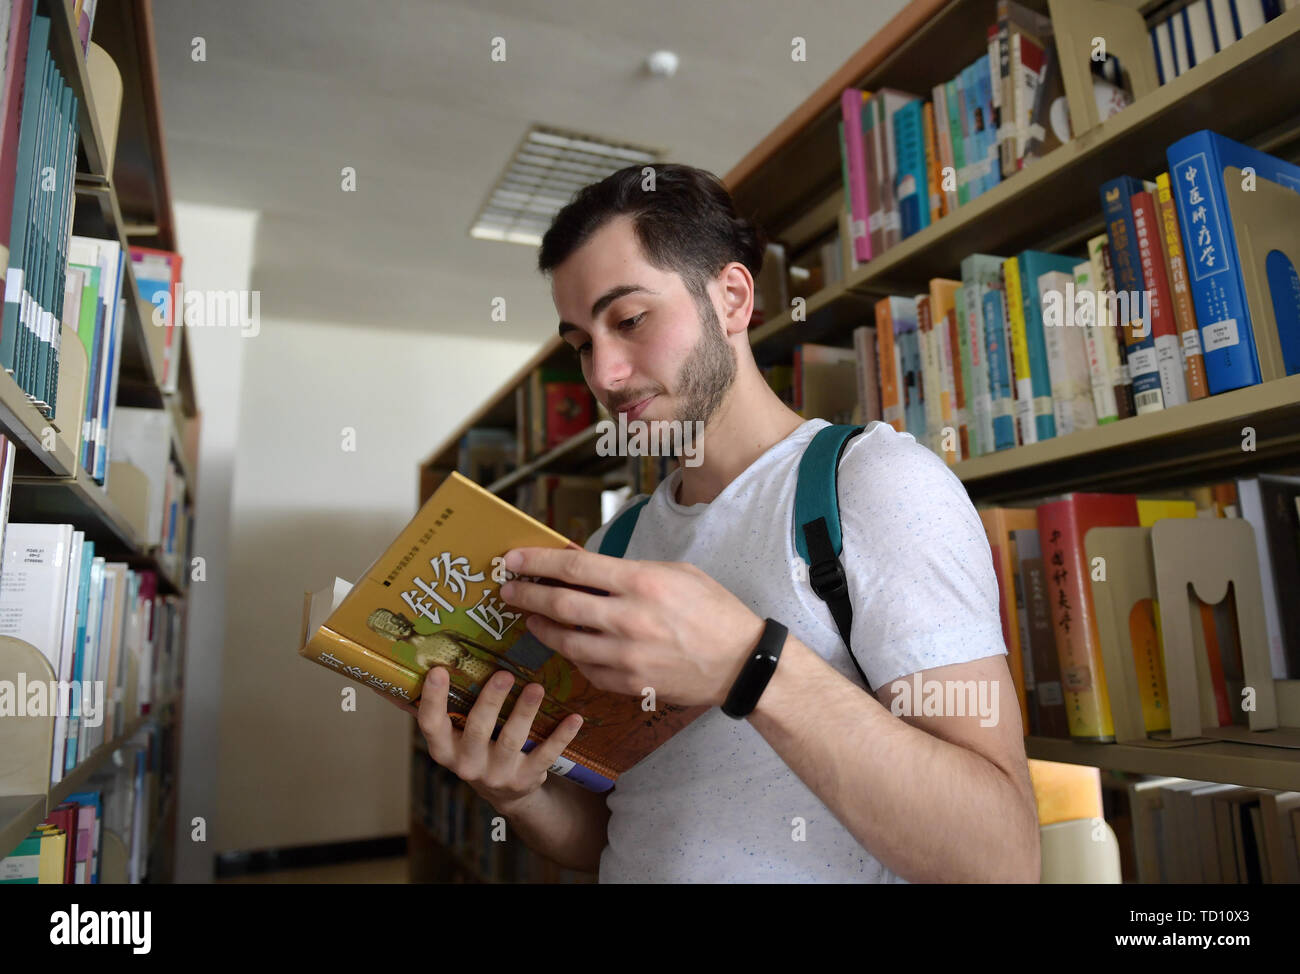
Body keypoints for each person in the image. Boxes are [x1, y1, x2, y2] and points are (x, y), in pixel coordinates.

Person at [391, 164, 1040, 883]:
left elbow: (1000, 857)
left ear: (731, 298)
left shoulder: (874, 485)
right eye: (580, 343)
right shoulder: (619, 545)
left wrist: (747, 663)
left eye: (630, 319)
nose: (603, 374)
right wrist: (514, 790)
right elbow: (622, 832)